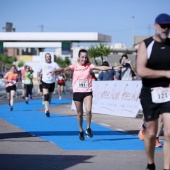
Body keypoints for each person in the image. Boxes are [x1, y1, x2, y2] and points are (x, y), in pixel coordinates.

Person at [51, 49, 121, 141]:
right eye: (82, 57)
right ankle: (80, 130)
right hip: (77, 92)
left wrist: (112, 68)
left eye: (85, 57)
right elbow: (64, 69)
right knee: (79, 113)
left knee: (88, 111)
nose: (84, 59)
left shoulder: (89, 66)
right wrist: (54, 71)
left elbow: (100, 68)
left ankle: (88, 128)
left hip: (87, 91)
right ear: (79, 57)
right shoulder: (74, 66)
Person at [136, 13, 170, 170]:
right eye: (162, 25)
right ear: (156, 26)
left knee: (169, 133)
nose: (165, 28)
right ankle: (151, 164)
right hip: (150, 93)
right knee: (151, 132)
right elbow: (141, 71)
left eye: (168, 26)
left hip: (168, 93)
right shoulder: (146, 44)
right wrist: (164, 73)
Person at [37, 53, 62, 117]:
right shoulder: (42, 64)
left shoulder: (54, 64)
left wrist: (54, 70)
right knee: (46, 96)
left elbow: (60, 69)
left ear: (51, 58)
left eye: (49, 56)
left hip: (52, 82)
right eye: (47, 57)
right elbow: (38, 72)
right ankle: (47, 109)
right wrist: (38, 77)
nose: (48, 58)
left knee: (50, 97)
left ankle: (46, 107)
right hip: (44, 81)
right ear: (45, 58)